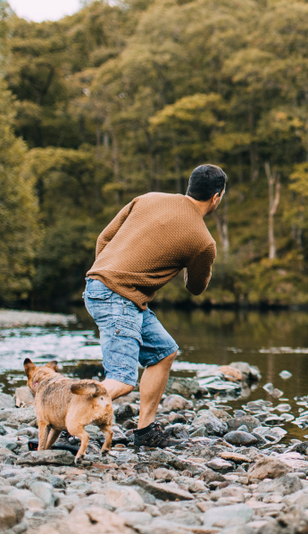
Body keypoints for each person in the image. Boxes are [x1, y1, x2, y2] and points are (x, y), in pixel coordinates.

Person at [83, 164, 225, 448]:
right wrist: (196, 261)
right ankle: (67, 424)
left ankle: (145, 431)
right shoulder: (203, 241)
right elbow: (195, 288)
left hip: (106, 287)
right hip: (119, 296)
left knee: (164, 352)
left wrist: (106, 273)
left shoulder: (147, 199)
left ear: (189, 186)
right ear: (216, 197)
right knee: (122, 379)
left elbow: (104, 239)